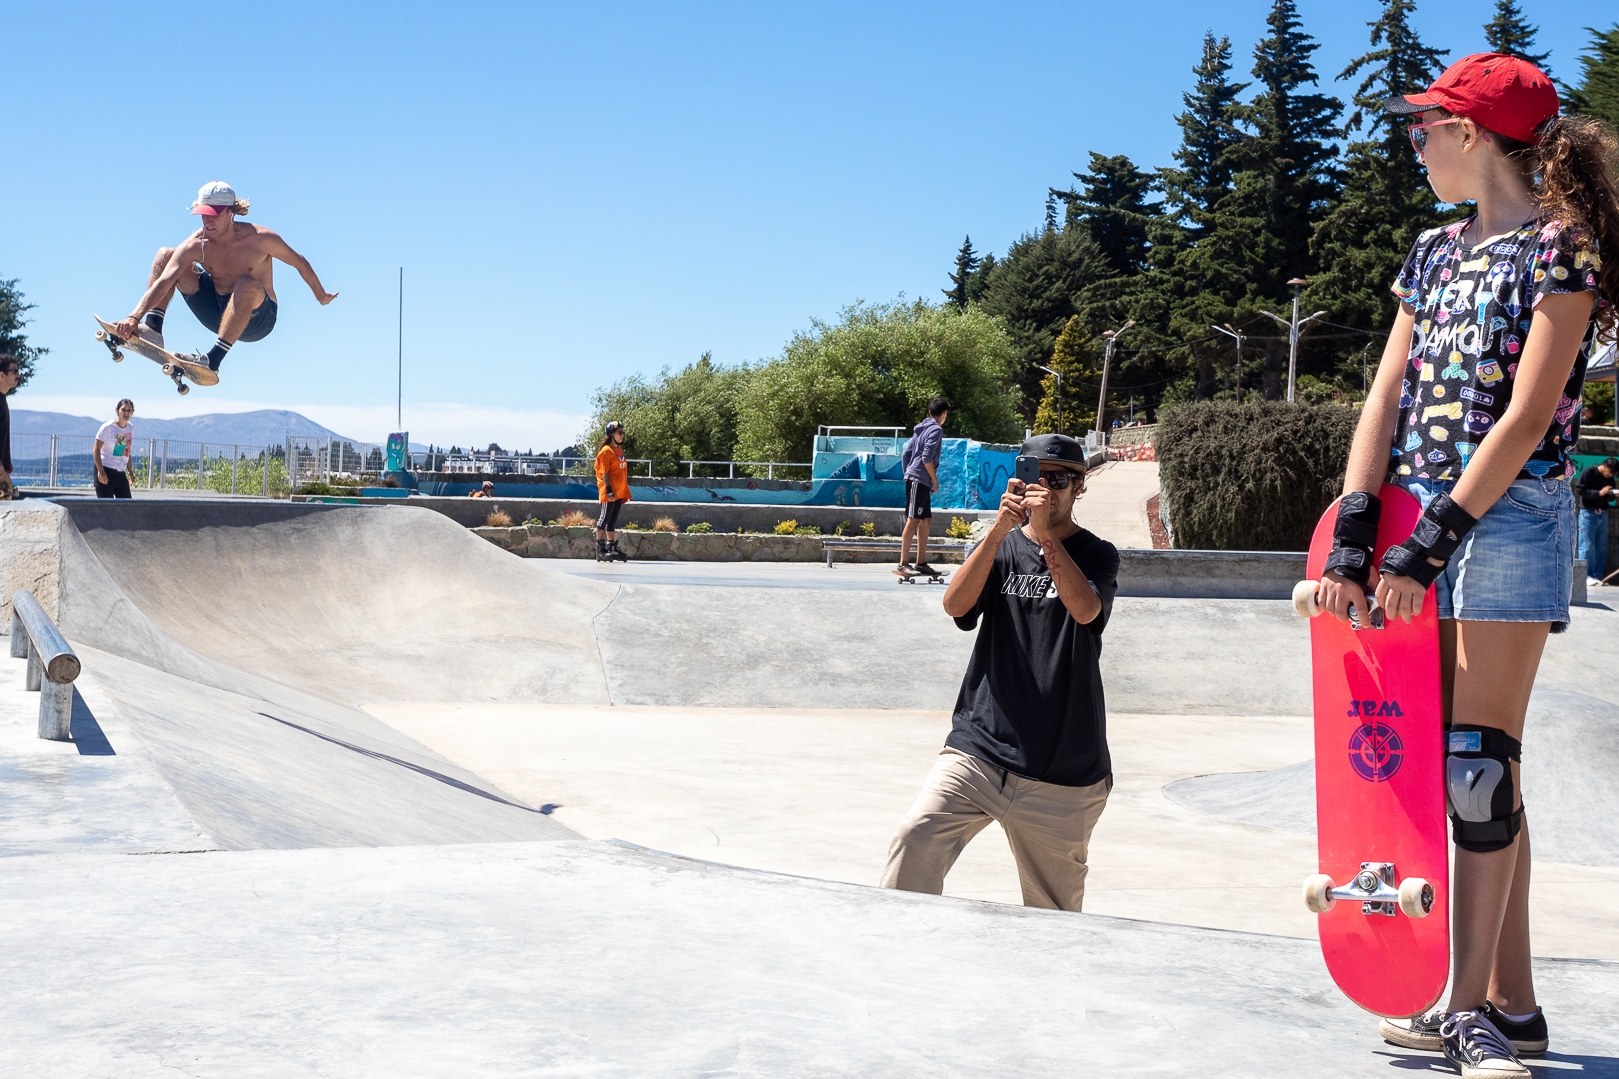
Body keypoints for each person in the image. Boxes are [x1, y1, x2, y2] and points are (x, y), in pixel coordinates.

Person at [1319, 54, 1614, 1079]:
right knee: (1466, 777)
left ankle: (1464, 1010)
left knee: (1479, 765)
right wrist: (1358, 526)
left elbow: (1530, 410)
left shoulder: (1560, 246)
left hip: (1510, 519)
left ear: (1475, 136)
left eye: (1424, 127)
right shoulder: (1431, 252)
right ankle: (1513, 1006)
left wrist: (1430, 540)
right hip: (1411, 519)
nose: (1412, 143)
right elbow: (1384, 394)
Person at [880, 433, 1119, 911]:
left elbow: (1087, 611)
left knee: (1055, 915)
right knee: (914, 839)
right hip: (980, 749)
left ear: (1079, 487)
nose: (1048, 488)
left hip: (1063, 771)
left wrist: (1046, 535)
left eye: (1061, 479)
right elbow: (955, 605)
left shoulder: (1098, 553)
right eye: (1037, 475)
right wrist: (998, 530)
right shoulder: (1002, 548)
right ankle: (895, 955)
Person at [114, 182, 337, 375]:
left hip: (258, 319)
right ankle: (153, 329)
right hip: (217, 313)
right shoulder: (197, 244)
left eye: (214, 214)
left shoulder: (260, 239)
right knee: (166, 255)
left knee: (246, 282)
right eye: (203, 214)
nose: (207, 221)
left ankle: (213, 360)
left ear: (232, 212)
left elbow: (300, 262)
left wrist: (321, 295)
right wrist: (134, 317)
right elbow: (164, 281)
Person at [897, 398, 949, 577]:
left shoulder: (921, 429)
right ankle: (903, 563)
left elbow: (906, 454)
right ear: (944, 414)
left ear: (930, 412)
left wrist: (907, 473)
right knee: (913, 520)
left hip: (918, 479)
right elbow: (927, 457)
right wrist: (934, 480)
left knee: (926, 520)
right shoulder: (935, 430)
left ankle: (921, 563)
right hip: (921, 479)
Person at [1576, 456, 1617, 584]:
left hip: (1602, 513)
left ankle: (1597, 576)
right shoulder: (1589, 472)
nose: (1610, 475)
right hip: (1588, 513)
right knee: (1587, 545)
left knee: (1601, 546)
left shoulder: (1610, 479)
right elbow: (1579, 490)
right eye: (1609, 471)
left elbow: (1608, 498)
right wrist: (1598, 493)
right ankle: (1585, 575)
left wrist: (1611, 495)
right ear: (1604, 466)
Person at [595, 421, 630, 562]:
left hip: (619, 492)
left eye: (623, 433)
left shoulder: (619, 451)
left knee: (612, 520)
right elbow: (604, 473)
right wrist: (609, 490)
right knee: (604, 518)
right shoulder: (606, 452)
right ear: (611, 434)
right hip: (609, 492)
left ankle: (611, 547)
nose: (622, 435)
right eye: (619, 433)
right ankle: (600, 549)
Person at [93, 399, 137, 499]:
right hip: (105, 469)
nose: (126, 413)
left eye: (129, 410)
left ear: (132, 413)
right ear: (117, 411)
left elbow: (123, 451)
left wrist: (130, 472)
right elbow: (96, 449)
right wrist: (101, 471)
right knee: (107, 508)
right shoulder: (108, 427)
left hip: (120, 472)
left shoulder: (130, 428)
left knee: (126, 506)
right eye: (123, 410)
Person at [0, 355, 19, 499]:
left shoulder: (2, 399)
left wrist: (6, 461)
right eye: (14, 371)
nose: (18, 375)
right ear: (2, 375)